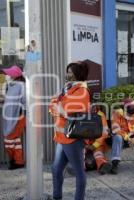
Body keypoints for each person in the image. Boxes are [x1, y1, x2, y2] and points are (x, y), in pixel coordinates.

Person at [49, 61, 90, 200]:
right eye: (67, 72)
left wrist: (60, 107)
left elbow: (65, 110)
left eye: (70, 73)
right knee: (55, 170)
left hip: (73, 139)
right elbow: (53, 107)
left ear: (77, 75)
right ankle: (57, 197)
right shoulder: (65, 90)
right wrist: (58, 107)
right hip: (61, 137)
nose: (67, 75)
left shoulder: (82, 91)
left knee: (79, 173)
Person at [2, 65, 26, 170]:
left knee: (9, 139)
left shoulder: (22, 86)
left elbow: (25, 101)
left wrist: (22, 112)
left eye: (8, 74)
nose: (7, 75)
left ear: (15, 75)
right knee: (15, 141)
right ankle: (18, 161)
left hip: (18, 117)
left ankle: (14, 160)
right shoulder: (11, 85)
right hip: (9, 117)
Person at [85, 105, 112, 175]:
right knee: (80, 153)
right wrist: (85, 145)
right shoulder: (81, 114)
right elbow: (78, 132)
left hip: (97, 142)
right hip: (84, 143)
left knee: (98, 154)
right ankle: (79, 167)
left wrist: (94, 145)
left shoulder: (101, 115)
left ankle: (102, 166)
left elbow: (104, 133)